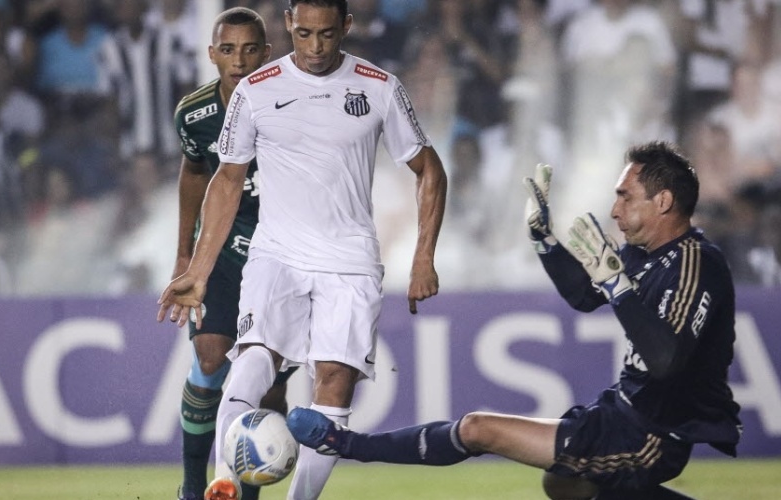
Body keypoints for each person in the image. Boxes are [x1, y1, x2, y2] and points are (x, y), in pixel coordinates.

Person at [287, 141, 741, 500]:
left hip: (653, 434)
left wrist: (618, 287)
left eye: (625, 196)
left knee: (478, 429)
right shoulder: (643, 254)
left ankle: (344, 444)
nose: (615, 209)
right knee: (565, 485)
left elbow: (666, 361)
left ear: (663, 201)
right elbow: (585, 296)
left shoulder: (695, 264)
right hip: (622, 411)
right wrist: (545, 241)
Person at [157, 1, 448, 498]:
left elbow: (429, 169)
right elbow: (225, 181)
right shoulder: (256, 89)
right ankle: (224, 483)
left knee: (333, 384)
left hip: (349, 259)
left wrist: (424, 256)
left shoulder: (379, 87)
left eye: (327, 35)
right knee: (250, 360)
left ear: (347, 28)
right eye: (305, 33)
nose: (315, 48)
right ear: (289, 23)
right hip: (277, 254)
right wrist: (198, 269)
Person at [167, 8, 297, 500]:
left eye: (249, 49)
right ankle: (192, 487)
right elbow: (195, 172)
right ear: (212, 54)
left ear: (267, 53)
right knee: (209, 355)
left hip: (285, 258)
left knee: (269, 387)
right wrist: (185, 256)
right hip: (223, 252)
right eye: (228, 49)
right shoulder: (194, 114)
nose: (238, 61)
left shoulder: (294, 101)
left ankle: (247, 490)